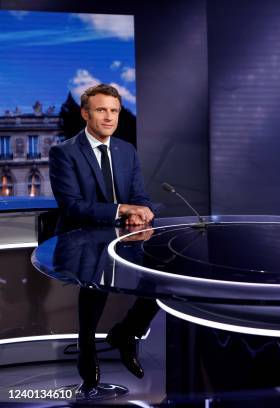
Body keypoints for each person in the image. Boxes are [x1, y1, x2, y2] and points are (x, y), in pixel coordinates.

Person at [49, 84, 159, 391]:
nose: (109, 117)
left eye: (114, 111)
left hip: (123, 237)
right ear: (85, 113)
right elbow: (72, 206)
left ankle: (126, 333)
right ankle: (87, 348)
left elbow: (139, 195)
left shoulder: (127, 150)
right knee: (97, 276)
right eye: (101, 110)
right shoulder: (64, 152)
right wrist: (123, 209)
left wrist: (142, 211)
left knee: (163, 278)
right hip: (81, 238)